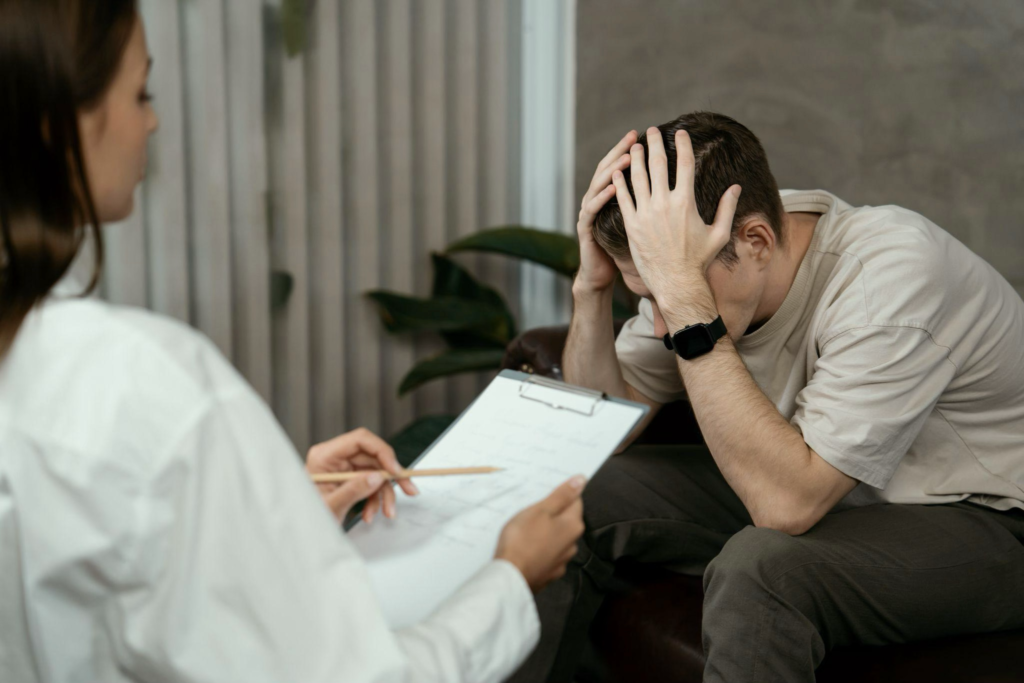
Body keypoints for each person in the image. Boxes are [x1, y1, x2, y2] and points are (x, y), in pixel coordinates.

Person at [0, 2, 585, 682]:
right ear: (57, 125)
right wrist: (511, 577)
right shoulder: (149, 384)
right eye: (141, 92)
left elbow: (107, 575)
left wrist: (267, 512)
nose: (152, 120)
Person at [508, 111, 1024, 683]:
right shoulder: (704, 252)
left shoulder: (890, 276)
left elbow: (786, 507)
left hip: (985, 518)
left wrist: (685, 300)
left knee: (762, 569)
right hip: (820, 480)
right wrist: (593, 288)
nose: (659, 326)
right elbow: (602, 423)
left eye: (669, 293)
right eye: (644, 296)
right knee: (566, 495)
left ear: (757, 240)